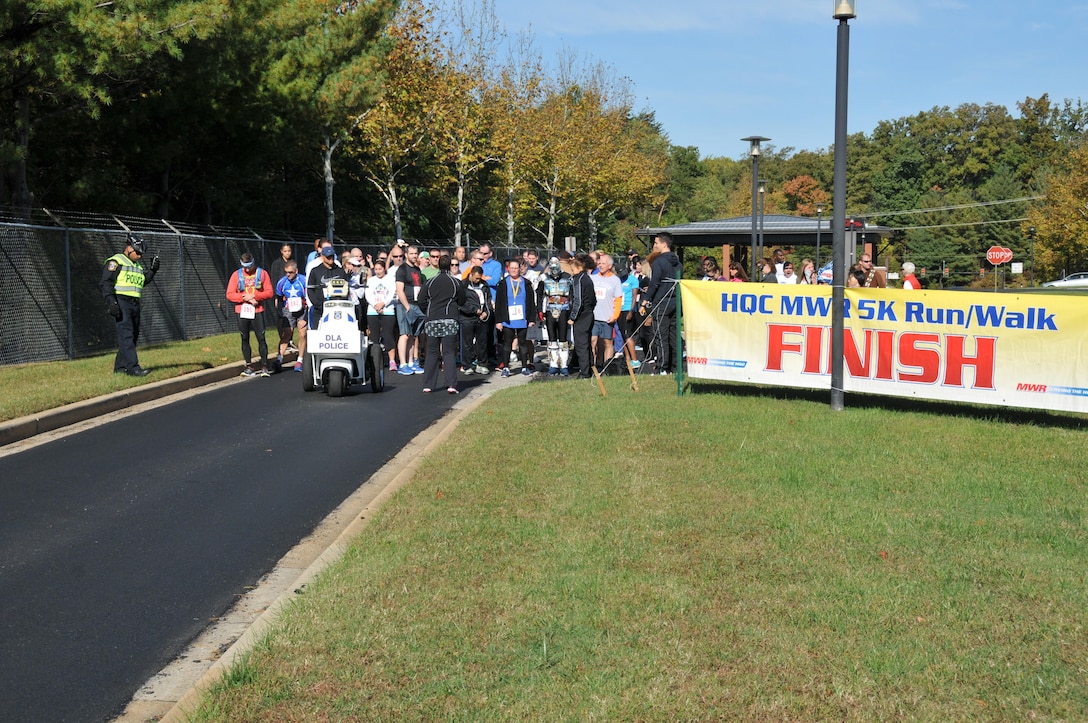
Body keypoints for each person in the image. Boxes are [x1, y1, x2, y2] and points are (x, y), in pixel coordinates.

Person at [99, 234, 159, 376]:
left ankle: (120, 368)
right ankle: (133, 368)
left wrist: (152, 270)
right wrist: (112, 302)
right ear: (129, 248)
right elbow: (105, 283)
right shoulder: (116, 261)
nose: (139, 256)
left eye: (141, 254)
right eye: (137, 252)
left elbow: (142, 282)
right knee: (126, 336)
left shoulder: (137, 266)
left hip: (134, 304)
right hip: (121, 302)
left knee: (132, 337)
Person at [417, 254, 466, 394]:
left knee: (432, 352)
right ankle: (451, 384)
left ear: (438, 264)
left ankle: (428, 384)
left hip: (432, 320)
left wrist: (428, 311)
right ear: (450, 265)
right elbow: (462, 300)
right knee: (449, 352)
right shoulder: (455, 282)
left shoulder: (430, 282)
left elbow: (421, 300)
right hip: (450, 319)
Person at [226, 253, 275, 377]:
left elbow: (269, 292)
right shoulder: (236, 275)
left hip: (257, 310)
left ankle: (264, 365)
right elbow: (230, 294)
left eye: (250, 266)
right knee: (244, 337)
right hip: (242, 310)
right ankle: (249, 365)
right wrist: (245, 298)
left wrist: (255, 296)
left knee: (261, 337)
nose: (247, 270)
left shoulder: (262, 273)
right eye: (245, 267)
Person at [645, 233, 682, 375]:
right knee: (674, 335)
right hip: (675, 301)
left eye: (656, 243)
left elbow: (654, 283)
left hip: (661, 302)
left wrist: (646, 299)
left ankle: (662, 367)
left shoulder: (659, 262)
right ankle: (675, 366)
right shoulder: (678, 262)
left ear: (664, 244)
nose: (655, 246)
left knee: (661, 335)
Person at [494, 257, 538, 377]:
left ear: (520, 269)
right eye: (511, 268)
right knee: (507, 343)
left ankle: (524, 367)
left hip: (522, 318)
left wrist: (532, 319)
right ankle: (506, 368)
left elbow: (531, 302)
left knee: (522, 343)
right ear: (508, 269)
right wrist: (498, 321)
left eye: (516, 268)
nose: (514, 270)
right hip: (508, 318)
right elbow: (498, 303)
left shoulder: (526, 283)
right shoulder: (503, 283)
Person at [395, 244, 425, 375]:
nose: (414, 256)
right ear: (406, 254)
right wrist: (407, 307)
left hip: (417, 305)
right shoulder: (402, 269)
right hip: (405, 305)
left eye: (416, 253)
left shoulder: (417, 269)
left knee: (413, 335)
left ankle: (411, 362)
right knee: (405, 335)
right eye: (412, 253)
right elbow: (399, 290)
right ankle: (402, 364)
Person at [540, 256, 573, 376]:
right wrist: (540, 311)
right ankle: (553, 365)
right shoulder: (544, 278)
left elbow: (572, 296)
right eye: (552, 268)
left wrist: (572, 313)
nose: (554, 272)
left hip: (564, 310)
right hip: (550, 310)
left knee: (563, 339)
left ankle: (564, 365)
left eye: (556, 268)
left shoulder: (568, 277)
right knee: (552, 339)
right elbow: (539, 295)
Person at [365, 259, 400, 371]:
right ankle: (375, 362)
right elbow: (368, 294)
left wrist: (383, 304)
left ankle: (392, 361)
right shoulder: (371, 280)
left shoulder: (391, 279)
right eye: (376, 269)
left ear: (384, 269)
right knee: (374, 337)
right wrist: (375, 305)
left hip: (387, 310)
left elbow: (391, 293)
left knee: (388, 335)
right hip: (372, 311)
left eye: (380, 269)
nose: (378, 271)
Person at [591, 253, 624, 371]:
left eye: (603, 263)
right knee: (593, 341)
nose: (600, 265)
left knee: (607, 342)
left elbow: (619, 299)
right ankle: (593, 367)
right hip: (593, 317)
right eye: (599, 263)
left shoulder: (615, 280)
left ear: (609, 266)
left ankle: (607, 367)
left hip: (607, 317)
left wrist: (615, 315)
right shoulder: (593, 278)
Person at [459, 265, 493, 374]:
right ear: (471, 275)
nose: (478, 280)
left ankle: (482, 363)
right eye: (476, 278)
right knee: (467, 343)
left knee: (482, 342)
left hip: (481, 318)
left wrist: (486, 312)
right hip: (467, 318)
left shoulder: (484, 285)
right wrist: (474, 310)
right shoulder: (463, 285)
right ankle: (467, 365)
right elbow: (461, 303)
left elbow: (488, 299)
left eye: (479, 278)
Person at [274, 260, 308, 372]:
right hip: (288, 309)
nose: (288, 274)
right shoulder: (282, 283)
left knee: (302, 334)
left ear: (296, 271)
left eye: (291, 272)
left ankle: (300, 360)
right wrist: (280, 312)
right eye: (286, 272)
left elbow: (309, 297)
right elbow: (278, 298)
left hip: (302, 309)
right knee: (287, 334)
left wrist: (307, 315)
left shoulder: (303, 280)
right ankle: (279, 359)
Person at [568, 253, 597, 379]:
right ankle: (590, 368)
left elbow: (578, 300)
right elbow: (594, 299)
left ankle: (585, 372)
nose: (572, 272)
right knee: (587, 342)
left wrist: (573, 317)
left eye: (573, 269)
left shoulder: (578, 280)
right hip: (589, 313)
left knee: (581, 345)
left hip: (582, 316)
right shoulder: (588, 278)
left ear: (580, 268)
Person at [306, 243, 351, 322]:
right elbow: (310, 289)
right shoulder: (315, 271)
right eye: (328, 256)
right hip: (320, 310)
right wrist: (318, 305)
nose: (331, 258)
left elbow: (347, 288)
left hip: (338, 309)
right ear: (323, 257)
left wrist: (341, 302)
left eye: (332, 256)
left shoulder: (340, 271)